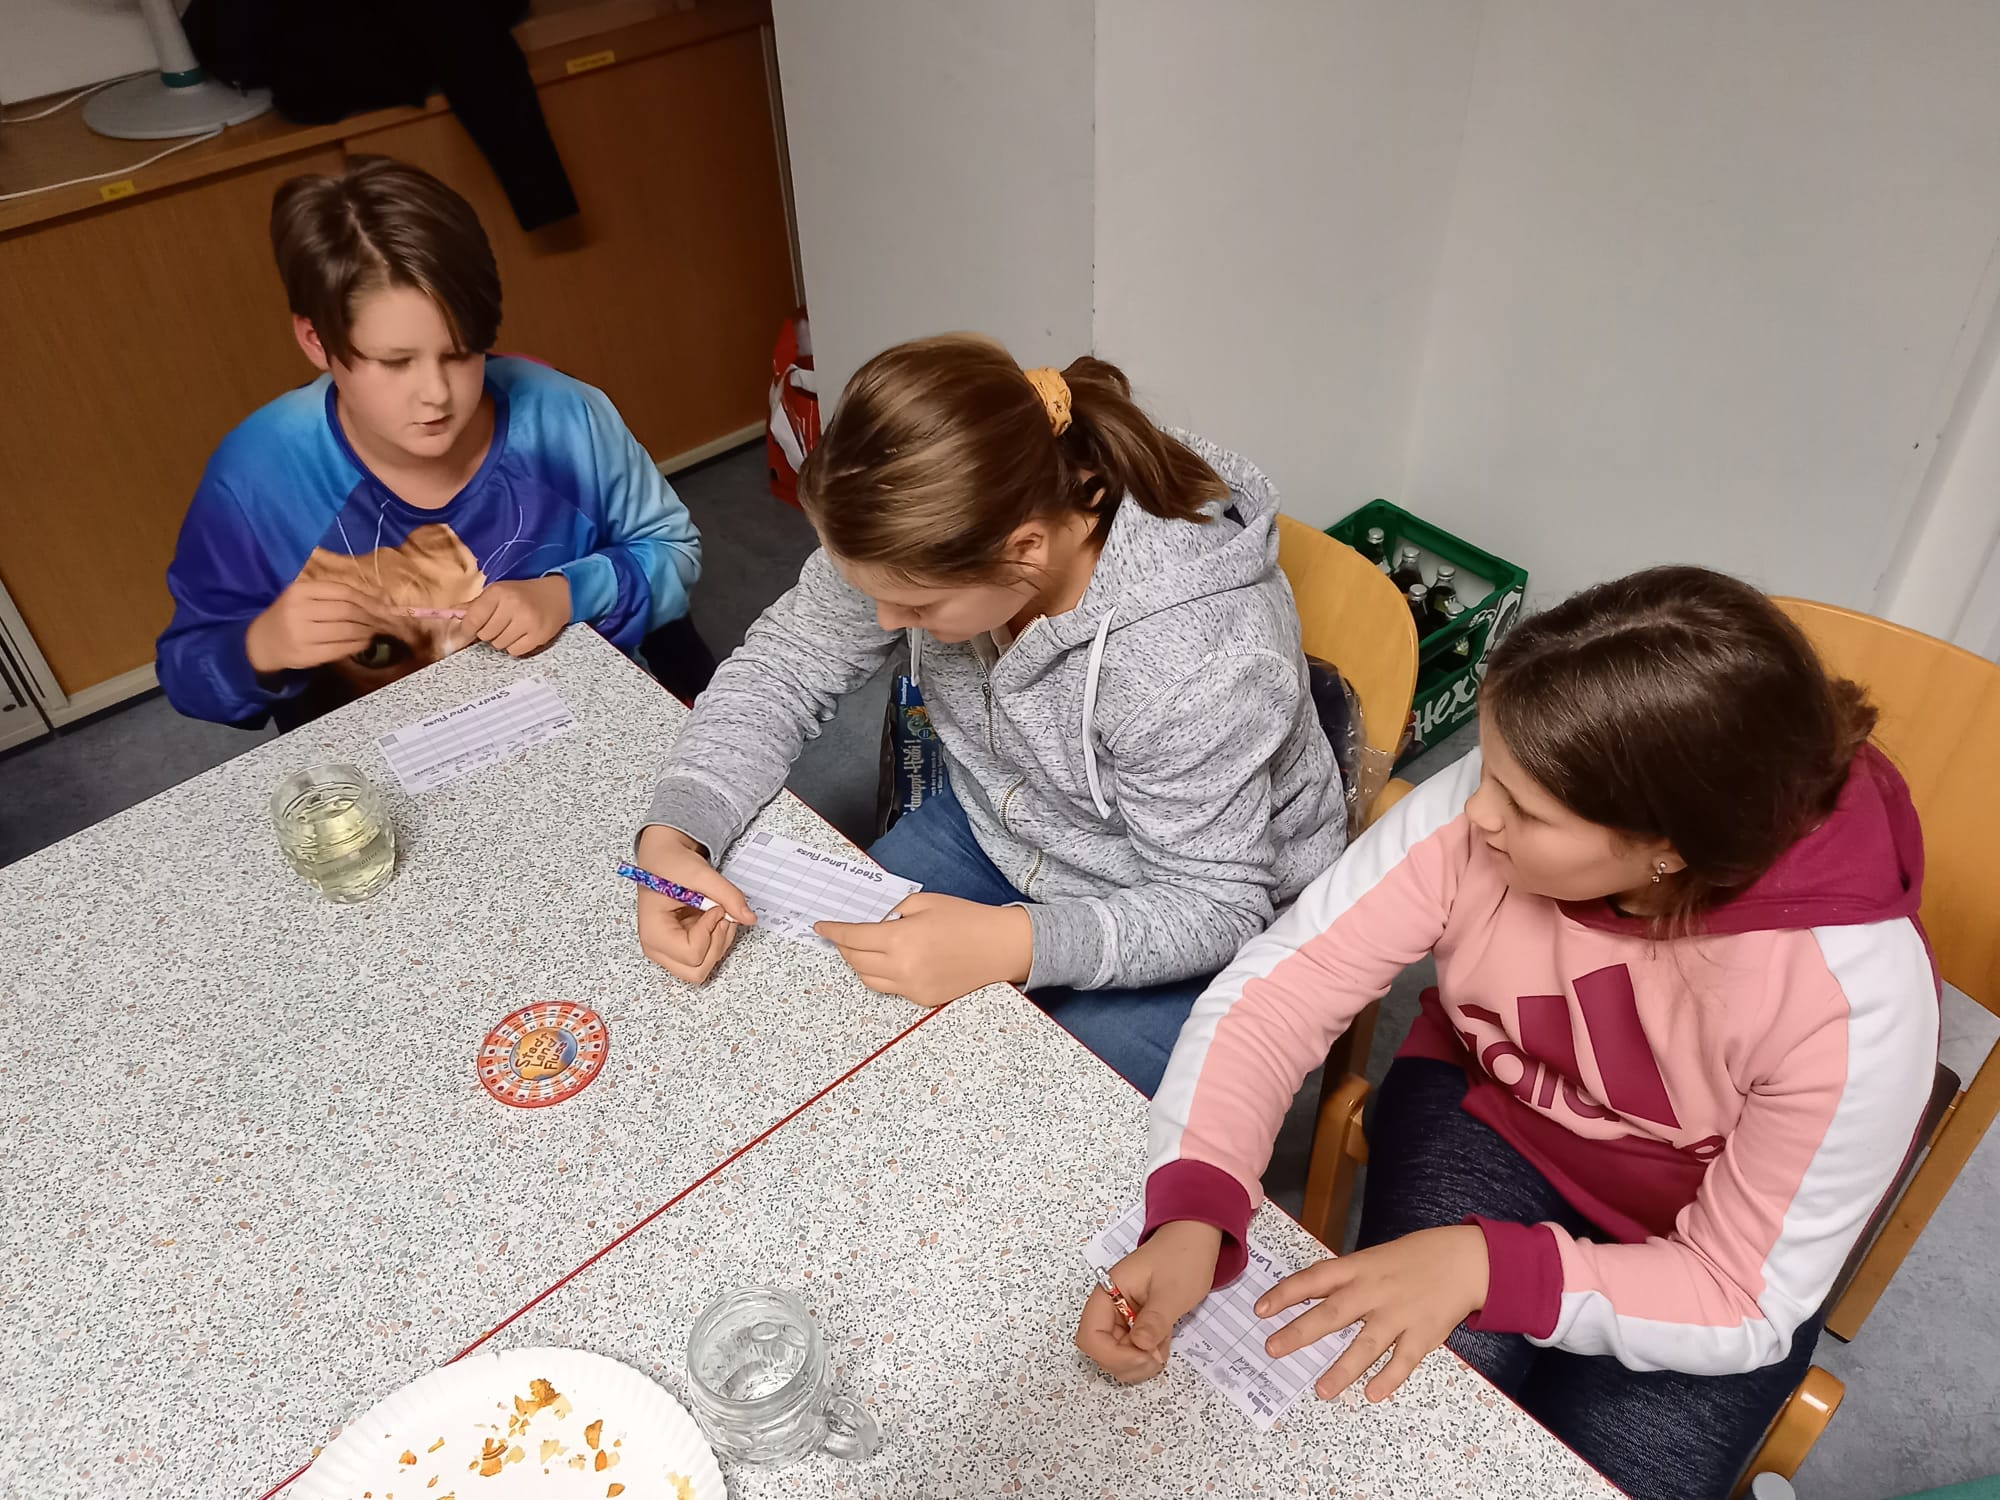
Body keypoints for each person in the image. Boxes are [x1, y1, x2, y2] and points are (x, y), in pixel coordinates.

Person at [1076, 567, 1937, 1500]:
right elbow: (1284, 992)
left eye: (1526, 810)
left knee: (1597, 1472)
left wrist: (1496, 1265)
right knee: (1403, 1426)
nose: (1477, 811)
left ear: (1669, 850)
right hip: (1494, 1115)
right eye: (1489, 772)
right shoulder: (1508, 796)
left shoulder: (1854, 997)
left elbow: (1741, 1297)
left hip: (1701, 1233)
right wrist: (1196, 1203)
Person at [632, 334, 1346, 1095]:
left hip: (1194, 906)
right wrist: (677, 832)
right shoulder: (923, 529)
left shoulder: (1191, 659)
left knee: (1025, 1105)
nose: (884, 623)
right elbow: (786, 664)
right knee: (817, 1008)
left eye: (915, 607)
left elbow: (1217, 905)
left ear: (1026, 550)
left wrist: (1014, 942)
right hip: (1006, 827)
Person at [157, 155, 709, 731]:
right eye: (396, 362)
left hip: (566, 723)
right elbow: (185, 669)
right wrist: (259, 646)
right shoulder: (256, 475)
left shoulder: (568, 419)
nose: (437, 395)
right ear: (316, 341)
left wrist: (566, 595)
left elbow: (674, 552)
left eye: (460, 353)